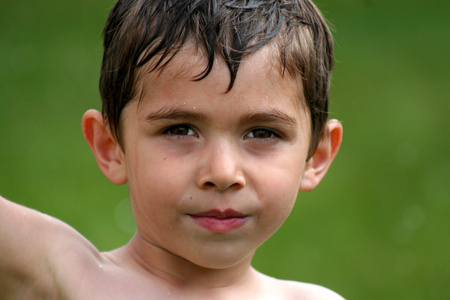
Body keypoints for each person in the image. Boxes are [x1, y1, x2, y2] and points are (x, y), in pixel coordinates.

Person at [0, 0, 344, 298]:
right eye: (180, 130)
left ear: (316, 155)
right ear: (111, 147)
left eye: (262, 133)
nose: (222, 173)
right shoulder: (65, 278)